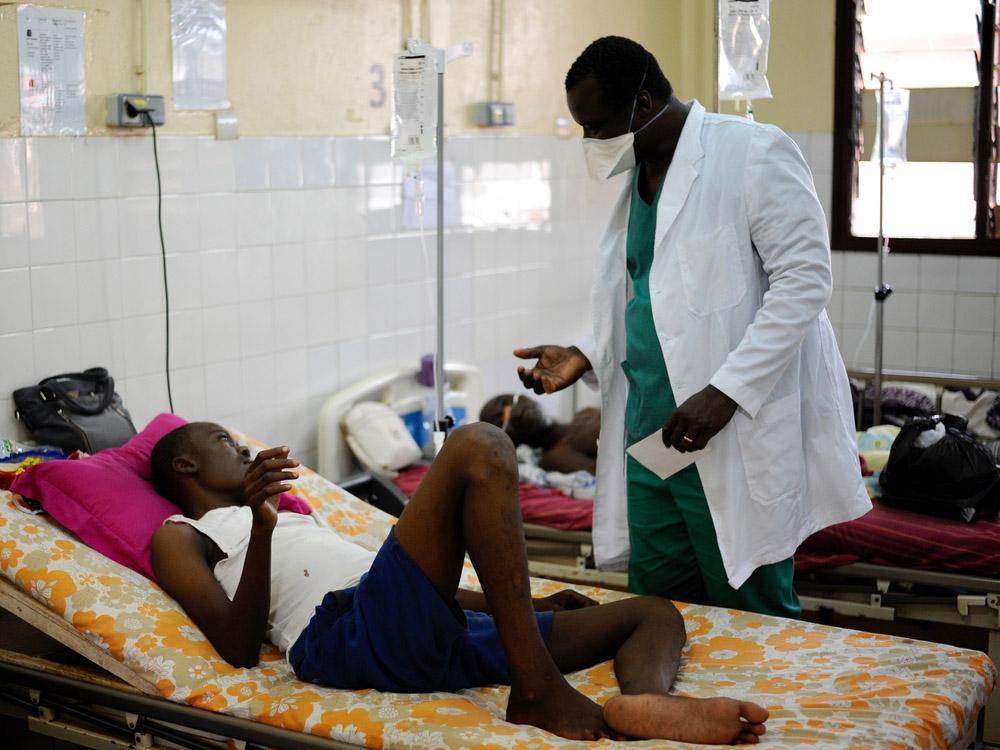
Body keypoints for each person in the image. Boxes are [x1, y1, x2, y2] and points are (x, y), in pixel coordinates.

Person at [513, 36, 871, 617]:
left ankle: (760, 711)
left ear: (646, 102)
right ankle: (667, 713)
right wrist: (587, 351)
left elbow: (805, 280)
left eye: (599, 126)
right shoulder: (639, 178)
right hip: (653, 440)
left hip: (725, 433)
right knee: (659, 615)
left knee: (752, 616)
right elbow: (649, 298)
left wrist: (727, 392)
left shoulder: (751, 153)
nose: (592, 142)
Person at [149, 421, 769, 744]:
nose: (243, 447)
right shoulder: (180, 533)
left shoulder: (298, 516)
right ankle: (534, 687)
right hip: (344, 638)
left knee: (652, 613)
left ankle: (646, 700)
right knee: (479, 445)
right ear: (186, 465)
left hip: (419, 627)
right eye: (225, 440)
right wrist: (260, 525)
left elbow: (409, 585)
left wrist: (525, 604)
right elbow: (235, 648)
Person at [480, 393, 600, 474]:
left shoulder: (585, 416)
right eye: (501, 419)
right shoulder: (554, 458)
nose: (510, 411)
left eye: (506, 403)